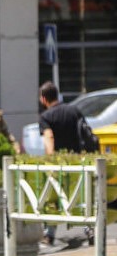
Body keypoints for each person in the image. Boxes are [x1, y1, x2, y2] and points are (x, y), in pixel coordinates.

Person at [37, 80, 90, 245]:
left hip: (59, 162)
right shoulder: (74, 110)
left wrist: (51, 159)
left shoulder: (46, 116)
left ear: (44, 99)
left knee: (52, 197)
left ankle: (49, 234)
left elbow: (48, 136)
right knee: (82, 195)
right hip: (77, 160)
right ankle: (90, 229)